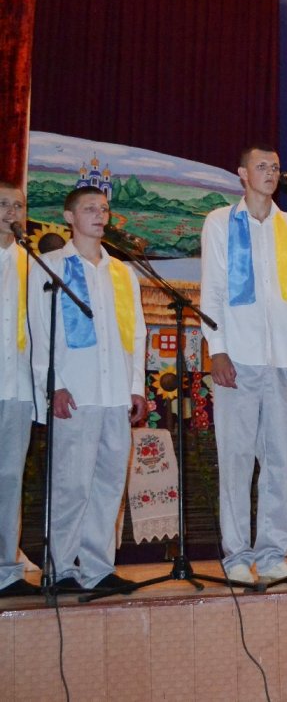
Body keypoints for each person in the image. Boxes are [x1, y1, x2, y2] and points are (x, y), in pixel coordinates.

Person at [200, 145, 287, 584]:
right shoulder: (220, 222)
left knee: (277, 461)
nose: (271, 173)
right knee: (236, 460)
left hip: (286, 359)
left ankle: (272, 554)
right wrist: (216, 348)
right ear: (242, 173)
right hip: (238, 358)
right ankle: (236, 556)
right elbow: (212, 291)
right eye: (262, 166)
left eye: (275, 167)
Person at [28, 186, 146, 591]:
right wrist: (54, 385)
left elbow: (137, 334)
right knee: (70, 484)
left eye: (105, 209)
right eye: (90, 208)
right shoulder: (50, 267)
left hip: (115, 393)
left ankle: (98, 568)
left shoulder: (122, 272)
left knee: (109, 485)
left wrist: (136, 386)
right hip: (75, 393)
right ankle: (60, 568)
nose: (100, 215)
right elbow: (39, 331)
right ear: (69, 217)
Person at [0, 181, 37, 597]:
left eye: (19, 205)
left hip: (18, 387)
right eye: (3, 204)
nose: (12, 212)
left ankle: (7, 571)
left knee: (10, 477)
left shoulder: (33, 264)